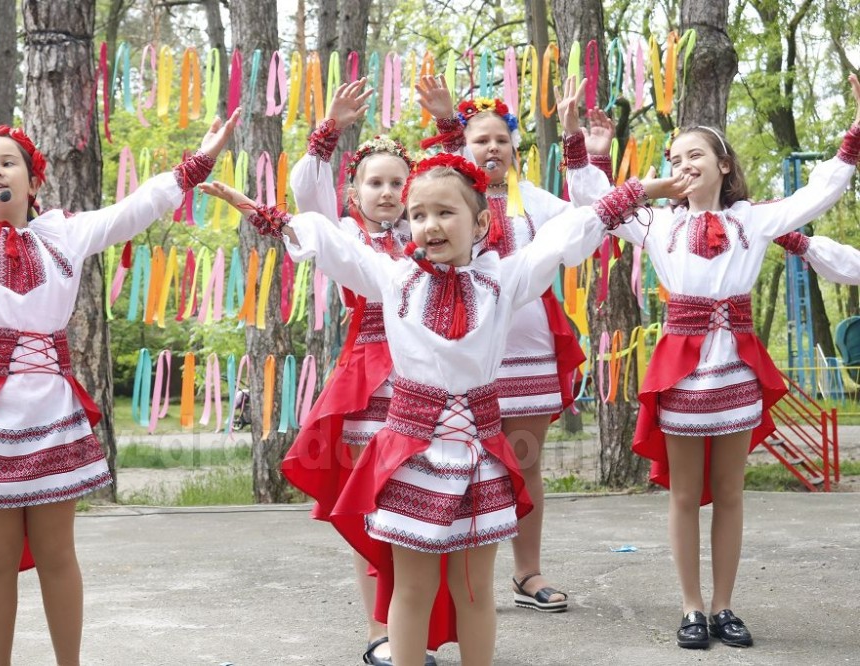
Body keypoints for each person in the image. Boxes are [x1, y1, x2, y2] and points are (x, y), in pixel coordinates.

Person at [203, 152, 680, 665]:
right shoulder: (393, 278)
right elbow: (332, 245)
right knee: (411, 590)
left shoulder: (504, 279)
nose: (430, 224)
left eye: (445, 212)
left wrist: (642, 191)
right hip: (410, 456)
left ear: (480, 222)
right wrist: (262, 213)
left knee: (475, 592)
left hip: (480, 455)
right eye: (419, 214)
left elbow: (565, 237)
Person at [0, 112, 238, 666]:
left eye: (7, 162)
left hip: (52, 414)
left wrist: (194, 165)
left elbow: (130, 212)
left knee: (60, 554)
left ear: (33, 180)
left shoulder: (64, 232)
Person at [563, 73, 860, 649]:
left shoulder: (754, 219)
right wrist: (584, 149)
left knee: (729, 492)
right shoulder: (657, 223)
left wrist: (854, 136)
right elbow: (595, 206)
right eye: (675, 156)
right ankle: (692, 607)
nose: (684, 162)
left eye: (695, 153)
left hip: (736, 373)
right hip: (681, 373)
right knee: (681, 494)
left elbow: (819, 193)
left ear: (724, 165)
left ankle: (725, 607)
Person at [416, 75, 585, 612]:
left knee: (525, 460)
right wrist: (446, 123)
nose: (491, 148)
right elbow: (429, 187)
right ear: (463, 147)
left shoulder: (538, 203)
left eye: (500, 139)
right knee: (455, 461)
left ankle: (527, 574)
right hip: (462, 350)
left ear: (515, 147)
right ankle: (454, 579)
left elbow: (592, 218)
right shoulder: (444, 201)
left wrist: (588, 150)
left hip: (527, 348)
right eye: (479, 140)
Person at [278, 79, 424, 666]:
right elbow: (305, 197)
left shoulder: (426, 235)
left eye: (398, 183)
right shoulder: (343, 235)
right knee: (371, 511)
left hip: (422, 379)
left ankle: (417, 625)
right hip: (368, 383)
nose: (387, 193)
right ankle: (378, 633)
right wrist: (327, 132)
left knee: (416, 507)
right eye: (376, 182)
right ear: (354, 193)